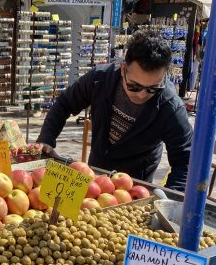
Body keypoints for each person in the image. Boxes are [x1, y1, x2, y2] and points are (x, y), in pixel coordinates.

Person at [37, 31, 192, 191]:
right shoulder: (99, 79)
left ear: (164, 75)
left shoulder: (171, 108)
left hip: (134, 186)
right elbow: (64, 103)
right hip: (96, 172)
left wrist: (169, 201)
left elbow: (185, 160)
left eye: (153, 88)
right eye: (134, 86)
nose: (141, 94)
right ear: (123, 69)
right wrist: (46, 138)